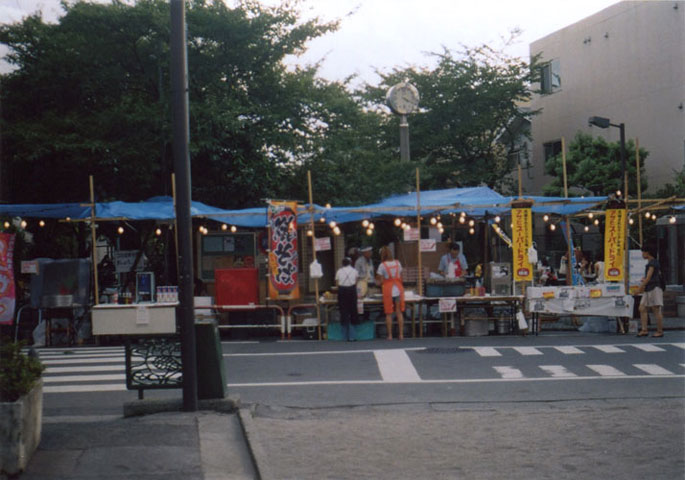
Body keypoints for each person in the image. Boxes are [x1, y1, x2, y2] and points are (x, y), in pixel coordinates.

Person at [375, 246, 405, 340]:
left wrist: (378, 283)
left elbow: (380, 280)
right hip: (398, 289)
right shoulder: (397, 263)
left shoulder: (382, 265)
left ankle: (390, 335)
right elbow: (401, 275)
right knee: (399, 312)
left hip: (388, 290)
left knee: (388, 313)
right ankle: (401, 334)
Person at [637, 244, 664, 338]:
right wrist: (644, 281)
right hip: (649, 287)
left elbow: (649, 277)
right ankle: (644, 330)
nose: (642, 254)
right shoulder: (651, 263)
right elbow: (649, 276)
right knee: (642, 308)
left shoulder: (653, 263)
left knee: (656, 309)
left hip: (654, 287)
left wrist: (640, 288)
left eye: (643, 252)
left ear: (647, 252)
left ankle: (660, 331)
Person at [335, 257, 358, 341]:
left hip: (342, 291)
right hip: (352, 290)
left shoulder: (339, 271)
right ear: (350, 263)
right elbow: (356, 281)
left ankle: (344, 337)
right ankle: (352, 336)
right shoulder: (354, 271)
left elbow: (337, 283)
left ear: (342, 263)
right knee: (353, 312)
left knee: (343, 312)